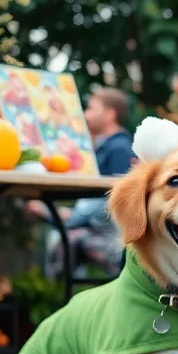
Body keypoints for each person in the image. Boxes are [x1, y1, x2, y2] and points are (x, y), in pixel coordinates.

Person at [41, 87, 134, 276]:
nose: (86, 114)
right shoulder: (106, 147)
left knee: (64, 239)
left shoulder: (119, 149)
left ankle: (62, 293)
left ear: (110, 114)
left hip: (112, 237)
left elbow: (113, 199)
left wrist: (64, 218)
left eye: (91, 108)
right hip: (95, 227)